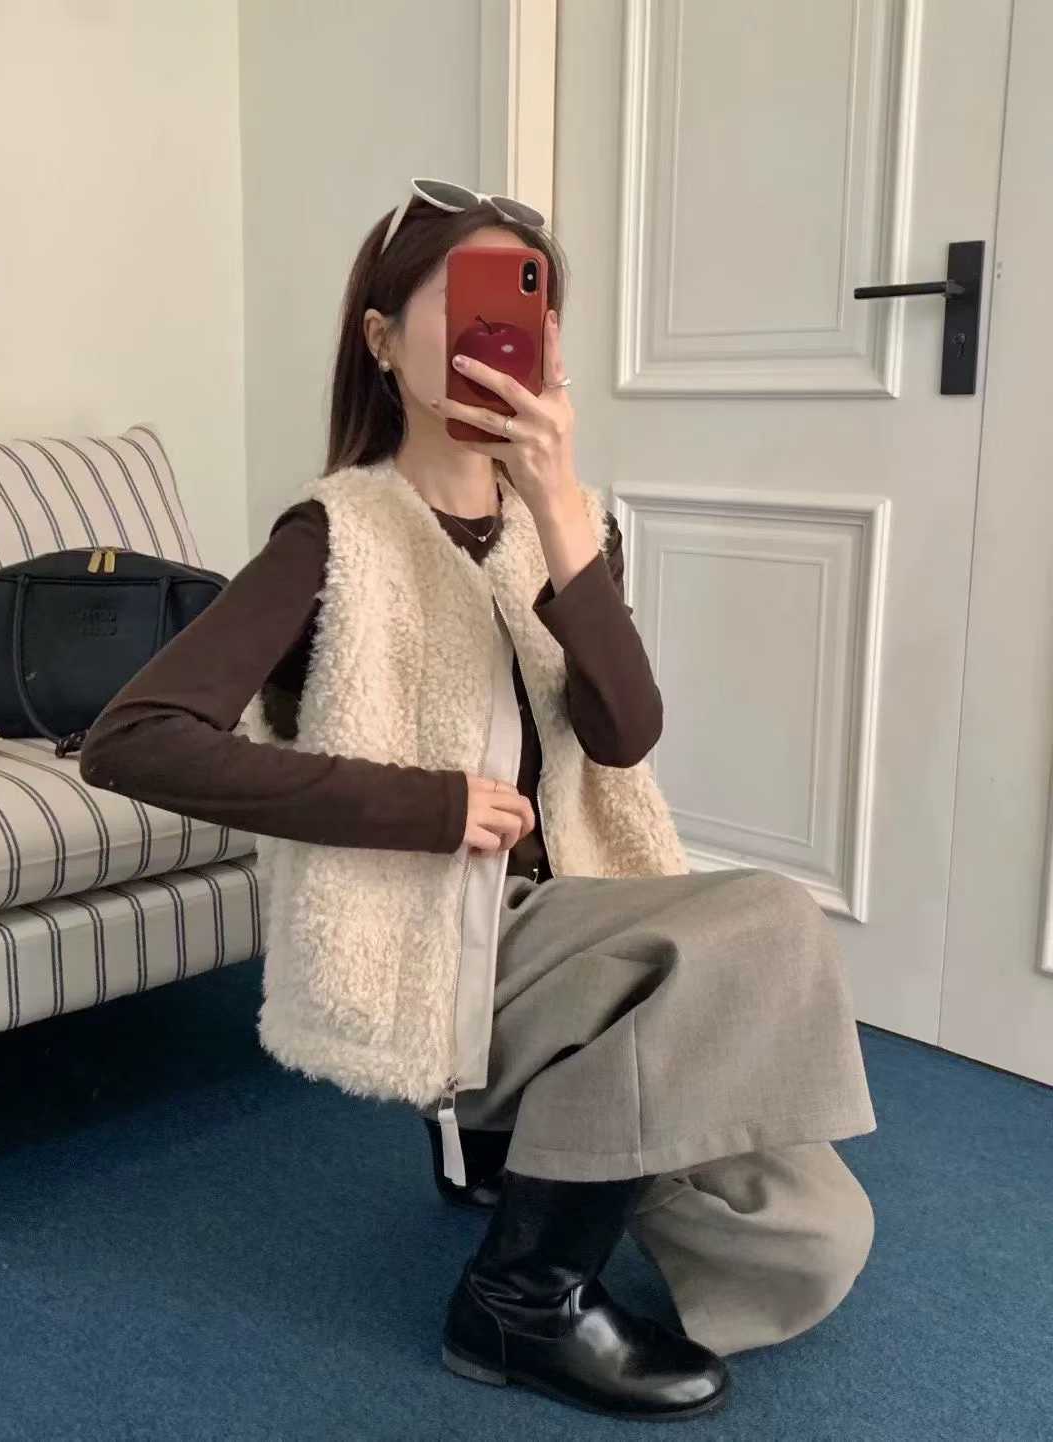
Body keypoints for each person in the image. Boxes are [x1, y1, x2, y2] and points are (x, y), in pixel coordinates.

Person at [78, 183, 877, 1423]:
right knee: (768, 921)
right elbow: (133, 741)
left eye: (530, 312)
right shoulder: (333, 535)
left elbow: (625, 734)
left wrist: (560, 512)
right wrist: (430, 803)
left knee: (817, 1235)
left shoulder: (567, 526)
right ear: (383, 338)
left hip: (586, 919)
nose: (507, 340)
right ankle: (519, 1296)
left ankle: (531, 1129)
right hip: (444, 935)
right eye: (467, 311)